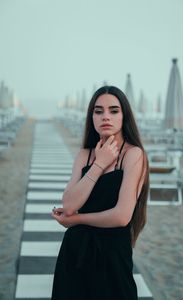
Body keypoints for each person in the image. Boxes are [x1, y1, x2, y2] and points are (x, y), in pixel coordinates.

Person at [51, 85, 149, 300]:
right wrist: (100, 163)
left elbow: (122, 216)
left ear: (124, 116)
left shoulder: (133, 155)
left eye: (114, 111)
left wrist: (76, 220)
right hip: (74, 253)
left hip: (113, 256)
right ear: (91, 117)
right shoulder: (84, 155)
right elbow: (68, 204)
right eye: (98, 111)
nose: (106, 116)